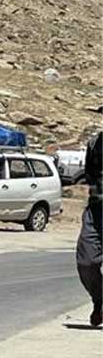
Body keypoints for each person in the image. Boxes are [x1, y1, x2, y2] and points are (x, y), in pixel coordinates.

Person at [78, 132, 102, 327]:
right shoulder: (95, 144)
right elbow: (90, 174)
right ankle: (99, 299)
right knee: (86, 262)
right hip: (96, 210)